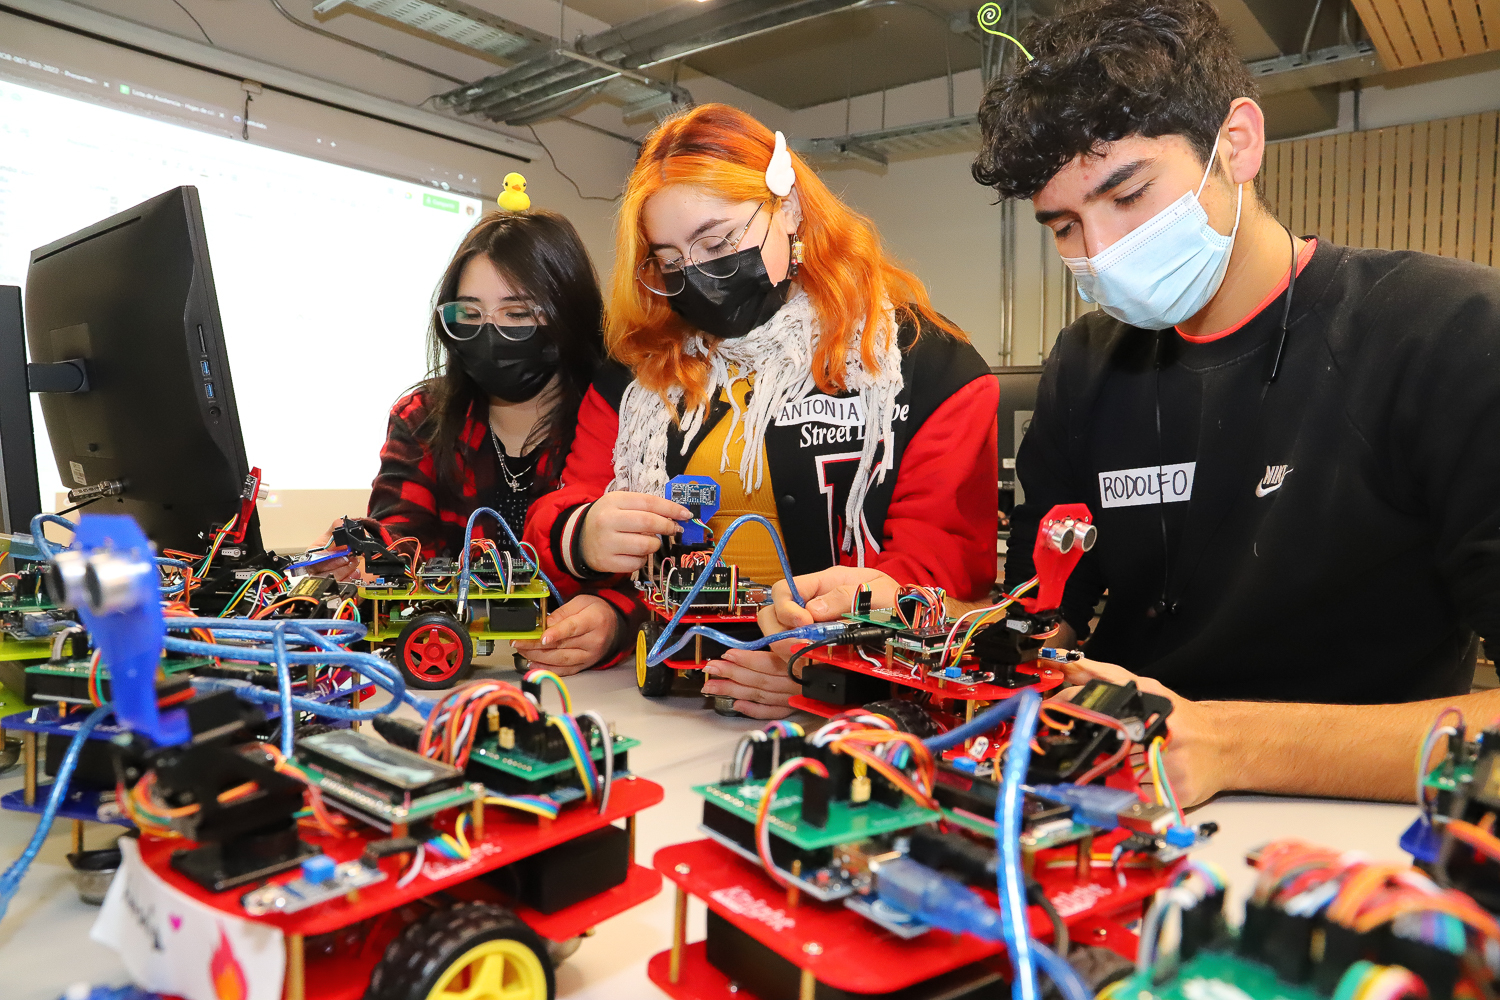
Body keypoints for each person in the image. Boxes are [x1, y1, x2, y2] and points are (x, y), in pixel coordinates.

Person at [763, 0, 1500, 804]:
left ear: (1237, 146)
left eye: (1128, 196)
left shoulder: (1446, 333)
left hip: (1349, 829)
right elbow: (1042, 617)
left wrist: (1225, 744)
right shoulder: (1086, 364)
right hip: (1118, 792)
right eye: (1065, 227)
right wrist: (908, 615)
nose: (1101, 250)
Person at [524, 103, 999, 718]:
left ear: (791, 209)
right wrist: (587, 545)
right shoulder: (633, 377)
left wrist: (826, 666)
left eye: (718, 240)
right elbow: (562, 513)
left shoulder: (925, 366)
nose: (697, 275)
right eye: (670, 261)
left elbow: (944, 580)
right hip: (668, 697)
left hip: (857, 719)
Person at [329, 210, 637, 673]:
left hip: (592, 694)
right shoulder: (422, 420)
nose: (490, 334)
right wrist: (361, 554)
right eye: (469, 314)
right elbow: (402, 543)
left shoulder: (622, 420)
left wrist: (616, 620)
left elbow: (657, 572)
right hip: (448, 675)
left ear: (569, 315)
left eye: (516, 313)